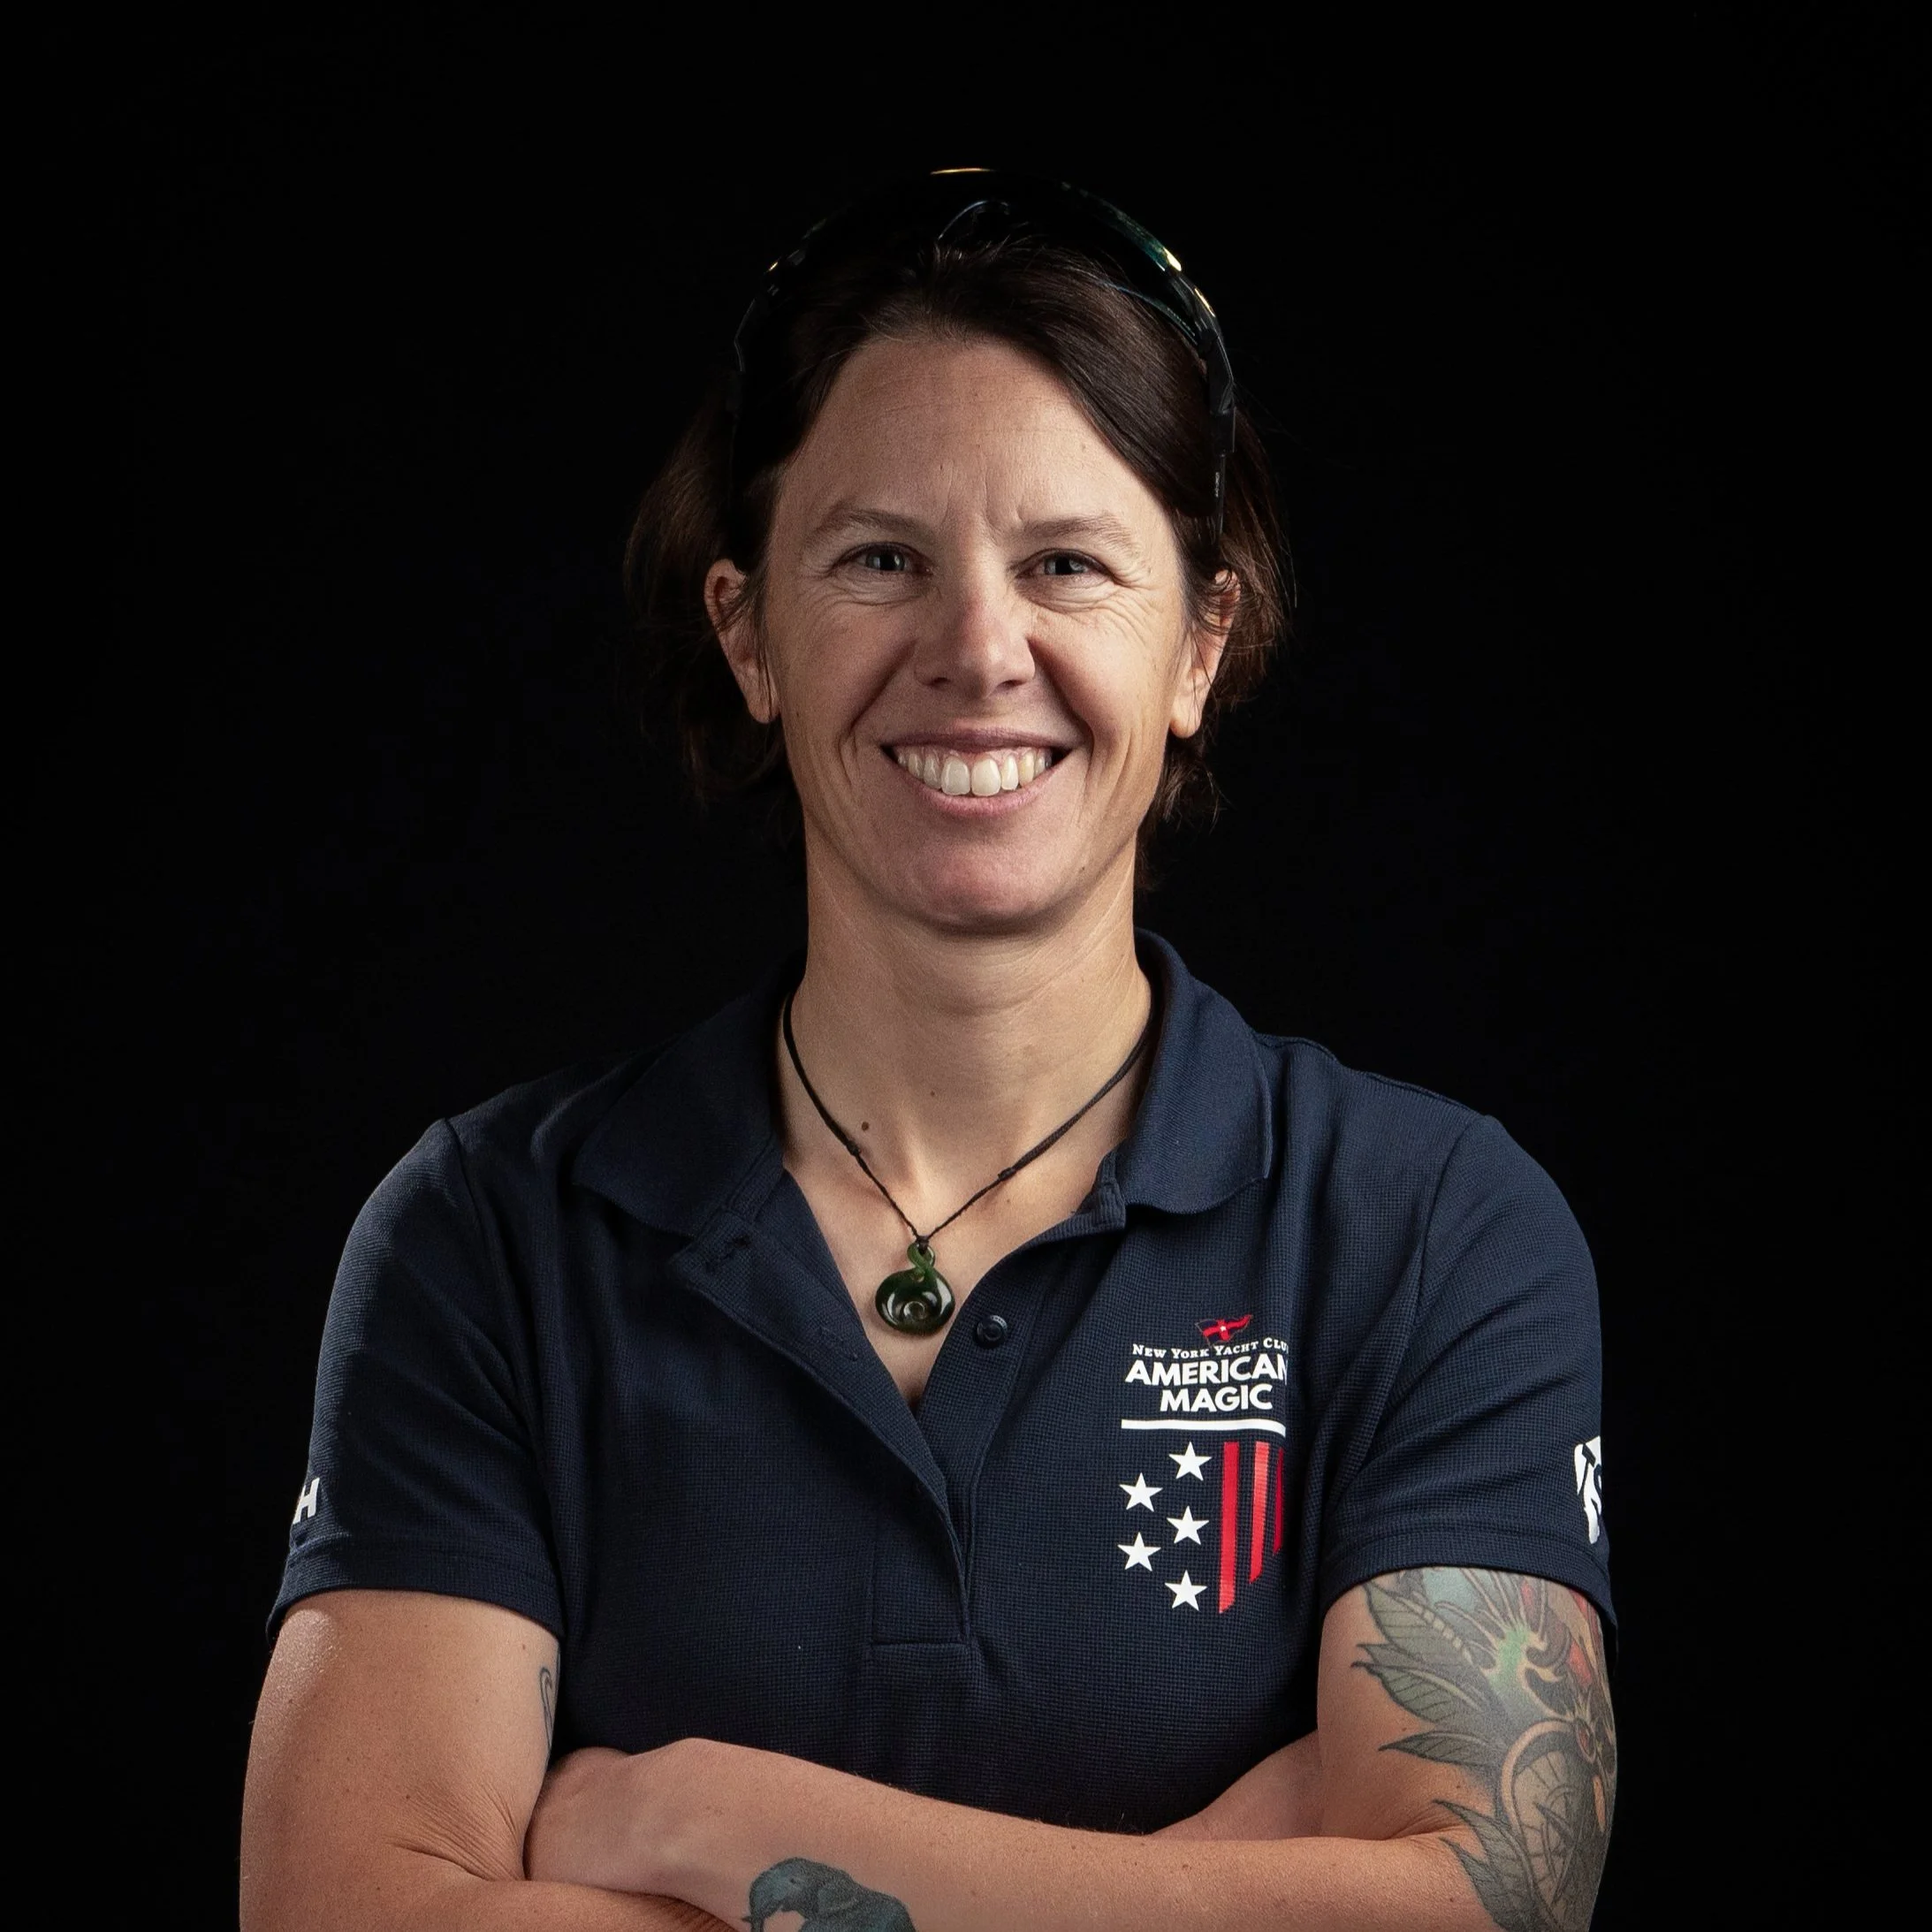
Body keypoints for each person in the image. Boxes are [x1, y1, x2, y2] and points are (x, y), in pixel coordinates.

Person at [240, 171, 1616, 1932]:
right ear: (746, 631)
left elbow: (1485, 1901)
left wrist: (718, 1820)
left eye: (1066, 564)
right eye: (881, 558)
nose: (976, 651)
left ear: (1202, 636)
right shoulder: (490, 1238)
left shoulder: (1428, 1228)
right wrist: (1227, 1884)